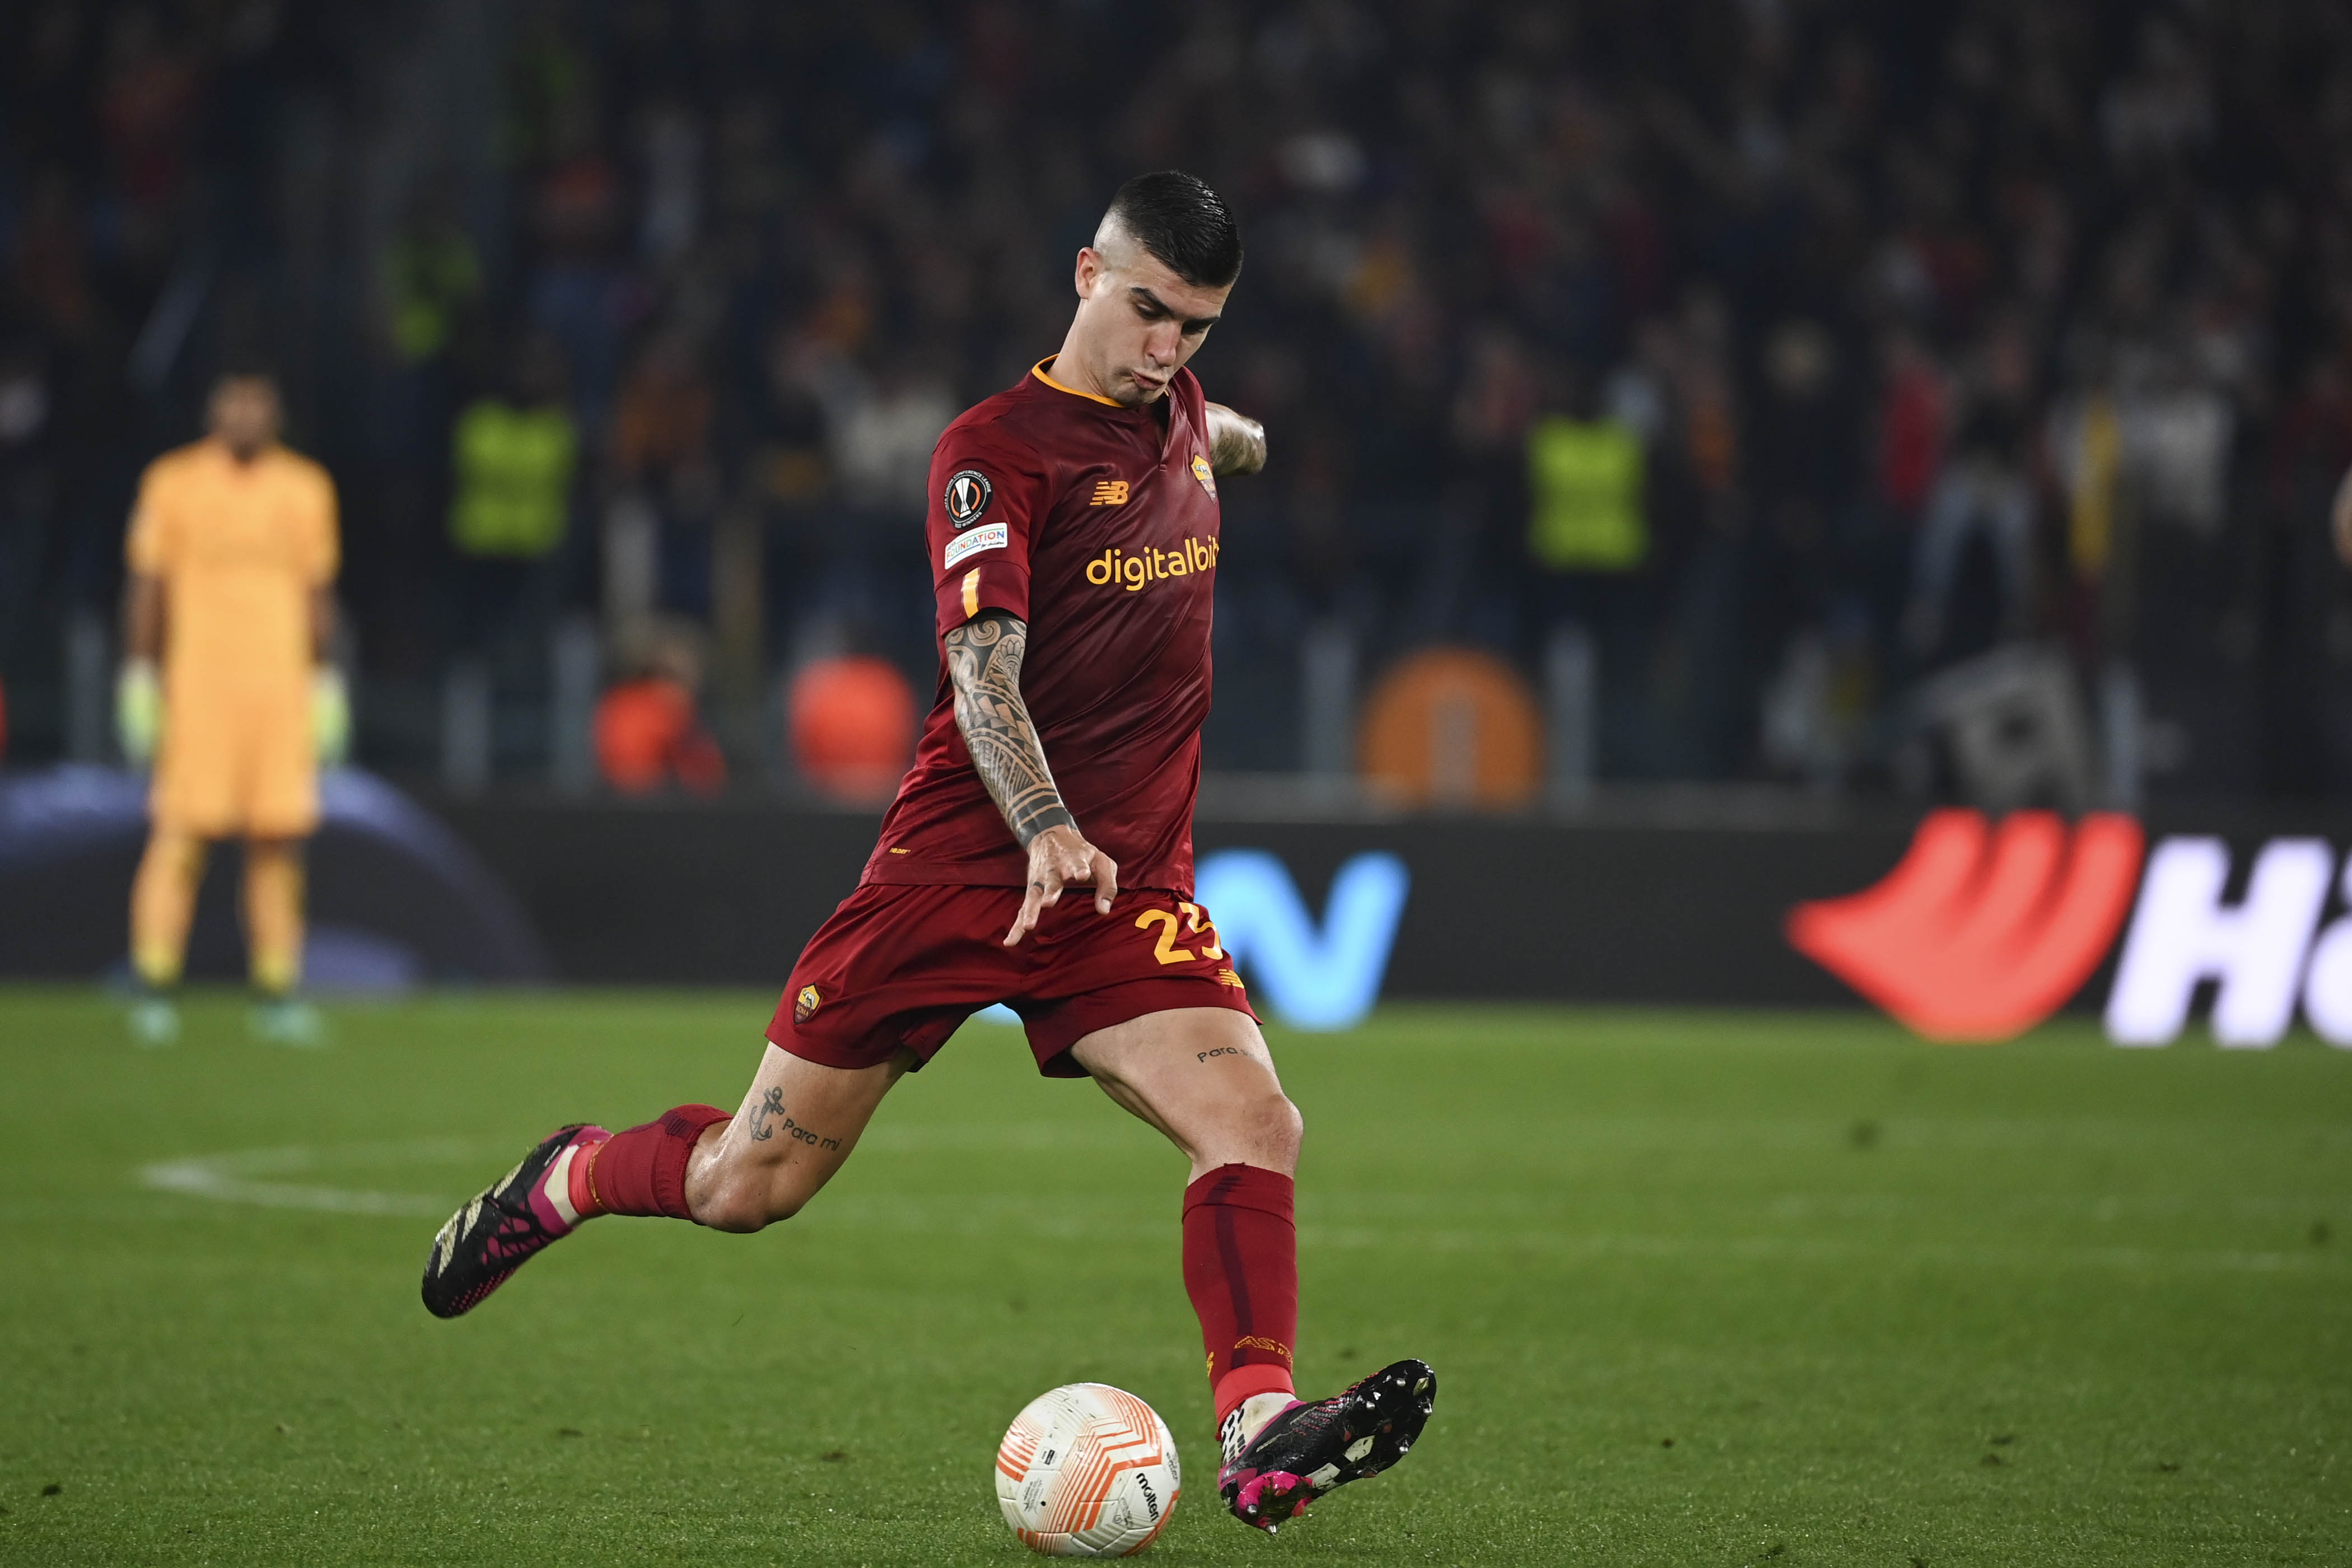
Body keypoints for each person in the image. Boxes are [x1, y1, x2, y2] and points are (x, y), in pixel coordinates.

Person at [421, 172, 1435, 1535]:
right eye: (1147, 311)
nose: (1165, 350)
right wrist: (1045, 825)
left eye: (1196, 327)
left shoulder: (1185, 411)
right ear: (1086, 273)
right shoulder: (991, 453)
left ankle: (1260, 1432)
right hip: (961, 874)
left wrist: (1237, 438)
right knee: (748, 1187)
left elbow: (1223, 439)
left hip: (1123, 892)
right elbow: (979, 665)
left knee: (1257, 1122)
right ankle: (569, 1176)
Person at [118, 372, 344, 1046]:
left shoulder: (306, 488)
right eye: (233, 402)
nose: (245, 415)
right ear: (213, 409)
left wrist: (324, 679)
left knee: (277, 840)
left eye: (258, 402)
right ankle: (155, 984)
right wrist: (138, 673)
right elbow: (148, 583)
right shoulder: (173, 482)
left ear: (275, 413)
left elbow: (317, 589)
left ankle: (276, 990)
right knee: (181, 833)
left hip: (278, 687)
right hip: (199, 686)